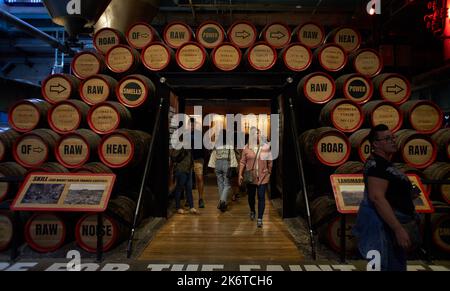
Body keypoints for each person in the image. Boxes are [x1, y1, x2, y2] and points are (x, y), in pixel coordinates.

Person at [352, 124, 419, 271]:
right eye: (387, 138)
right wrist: (398, 229)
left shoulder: (385, 164)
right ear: (375, 144)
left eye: (393, 137)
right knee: (384, 267)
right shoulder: (377, 167)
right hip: (383, 229)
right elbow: (377, 198)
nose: (393, 141)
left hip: (390, 228)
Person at [238, 127, 272, 228]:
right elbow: (242, 162)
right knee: (251, 197)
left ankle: (260, 218)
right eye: (255, 133)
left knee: (261, 196)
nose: (257, 135)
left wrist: (269, 171)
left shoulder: (265, 147)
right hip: (251, 177)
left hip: (262, 176)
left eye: (258, 133)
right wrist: (240, 174)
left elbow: (270, 160)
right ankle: (252, 210)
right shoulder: (246, 148)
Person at [208, 129, 238, 212]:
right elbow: (232, 155)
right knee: (227, 184)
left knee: (220, 184)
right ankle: (222, 201)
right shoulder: (229, 144)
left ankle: (222, 203)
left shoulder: (216, 144)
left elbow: (213, 155)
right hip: (226, 164)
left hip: (217, 163)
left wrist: (212, 166)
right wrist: (233, 165)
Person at [170, 148, 198, 215]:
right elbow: (173, 156)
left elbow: (190, 156)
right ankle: (178, 207)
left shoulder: (188, 146)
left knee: (189, 188)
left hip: (189, 170)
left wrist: (192, 166)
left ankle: (191, 207)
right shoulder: (179, 146)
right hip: (181, 169)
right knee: (179, 188)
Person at [191, 120, 206, 208]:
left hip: (198, 159)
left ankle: (200, 199)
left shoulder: (199, 134)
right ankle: (188, 200)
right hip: (187, 159)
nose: (192, 127)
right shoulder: (185, 134)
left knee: (199, 178)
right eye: (191, 125)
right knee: (187, 181)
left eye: (193, 125)